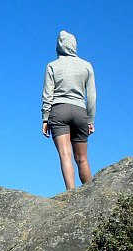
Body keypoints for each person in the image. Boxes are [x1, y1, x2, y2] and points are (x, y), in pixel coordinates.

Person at [41, 30, 97, 191]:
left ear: (59, 46)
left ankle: (71, 194)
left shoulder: (52, 66)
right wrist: (90, 120)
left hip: (59, 111)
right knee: (82, 158)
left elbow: (47, 94)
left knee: (66, 156)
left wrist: (45, 117)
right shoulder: (86, 66)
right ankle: (91, 193)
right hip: (80, 112)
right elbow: (91, 96)